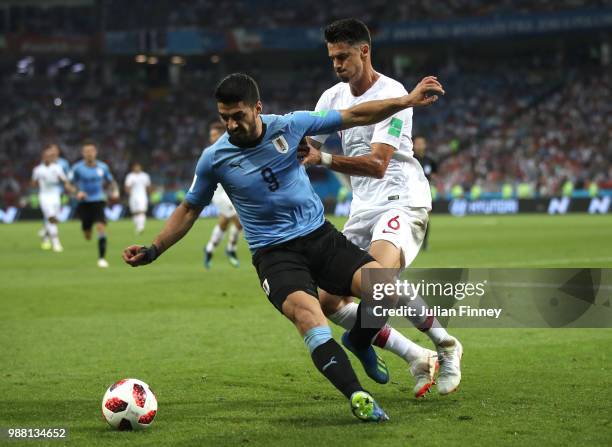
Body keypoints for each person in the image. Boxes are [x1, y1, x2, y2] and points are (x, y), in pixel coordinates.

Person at [123, 73, 444, 421]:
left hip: (320, 238)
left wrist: (406, 101)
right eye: (224, 117)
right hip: (275, 255)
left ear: (257, 108)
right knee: (311, 318)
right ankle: (358, 396)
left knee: (383, 290)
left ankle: (361, 341)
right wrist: (154, 248)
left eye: (238, 116)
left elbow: (356, 115)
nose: (231, 124)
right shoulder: (213, 159)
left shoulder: (290, 126)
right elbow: (189, 208)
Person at [301, 19, 462, 396]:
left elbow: (377, 165)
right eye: (332, 58)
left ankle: (447, 345)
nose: (337, 64)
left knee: (377, 282)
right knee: (326, 300)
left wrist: (321, 158)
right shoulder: (332, 97)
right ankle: (416, 355)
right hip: (363, 206)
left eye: (343, 56)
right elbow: (303, 144)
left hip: (401, 199)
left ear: (364, 51)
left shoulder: (394, 94)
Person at [70, 141, 119, 268]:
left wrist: (115, 191)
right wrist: (77, 192)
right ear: (83, 153)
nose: (89, 153)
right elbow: (69, 184)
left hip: (99, 200)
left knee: (100, 227)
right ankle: (86, 228)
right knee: (87, 235)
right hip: (84, 202)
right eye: (86, 151)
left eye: (91, 151)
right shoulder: (77, 168)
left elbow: (111, 181)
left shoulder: (103, 167)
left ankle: (102, 259)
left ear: (95, 152)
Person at [203, 121, 243, 269]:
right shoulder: (210, 153)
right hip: (219, 195)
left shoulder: (230, 149)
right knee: (240, 222)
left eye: (214, 135)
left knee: (223, 223)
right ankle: (231, 249)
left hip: (229, 193)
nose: (212, 138)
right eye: (211, 135)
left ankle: (209, 249)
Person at [31, 147, 72, 252]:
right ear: (43, 157)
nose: (49, 158)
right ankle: (56, 243)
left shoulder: (57, 168)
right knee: (51, 217)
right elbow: (33, 183)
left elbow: (64, 179)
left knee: (54, 218)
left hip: (55, 196)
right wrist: (36, 183)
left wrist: (67, 185)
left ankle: (45, 232)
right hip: (44, 196)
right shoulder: (38, 170)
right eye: (47, 156)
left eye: (51, 156)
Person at [413, 136, 437, 251]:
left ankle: (424, 243)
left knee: (425, 218)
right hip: (411, 192)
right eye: (417, 143)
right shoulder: (410, 158)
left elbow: (434, 174)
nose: (419, 146)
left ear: (425, 145)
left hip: (425, 193)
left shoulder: (430, 161)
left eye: (421, 143)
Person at [124, 162, 152, 234]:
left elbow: (148, 186)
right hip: (133, 196)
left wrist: (148, 194)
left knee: (141, 211)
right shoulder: (130, 176)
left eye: (138, 167)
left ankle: (141, 227)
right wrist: (129, 194)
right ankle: (137, 226)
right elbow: (127, 186)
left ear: (140, 167)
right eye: (135, 167)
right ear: (133, 168)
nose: (137, 168)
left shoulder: (145, 176)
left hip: (142, 196)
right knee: (134, 212)